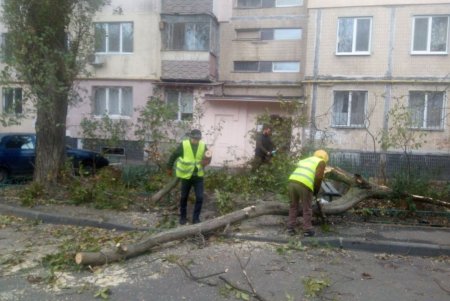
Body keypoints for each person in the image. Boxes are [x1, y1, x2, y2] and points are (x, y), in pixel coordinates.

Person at [167, 129, 210, 225]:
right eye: (195, 139)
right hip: (186, 176)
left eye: (198, 139)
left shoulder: (203, 145)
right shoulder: (184, 145)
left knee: (199, 197)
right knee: (183, 197)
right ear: (191, 137)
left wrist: (207, 160)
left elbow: (208, 155)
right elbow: (174, 155)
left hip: (198, 176)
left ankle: (196, 218)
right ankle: (183, 217)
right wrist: (169, 167)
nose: (196, 141)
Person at [287, 149, 329, 237]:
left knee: (293, 206)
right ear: (325, 158)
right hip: (304, 184)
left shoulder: (306, 160)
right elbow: (318, 178)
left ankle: (290, 228)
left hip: (292, 181)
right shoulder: (321, 162)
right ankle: (307, 229)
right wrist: (315, 191)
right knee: (307, 208)